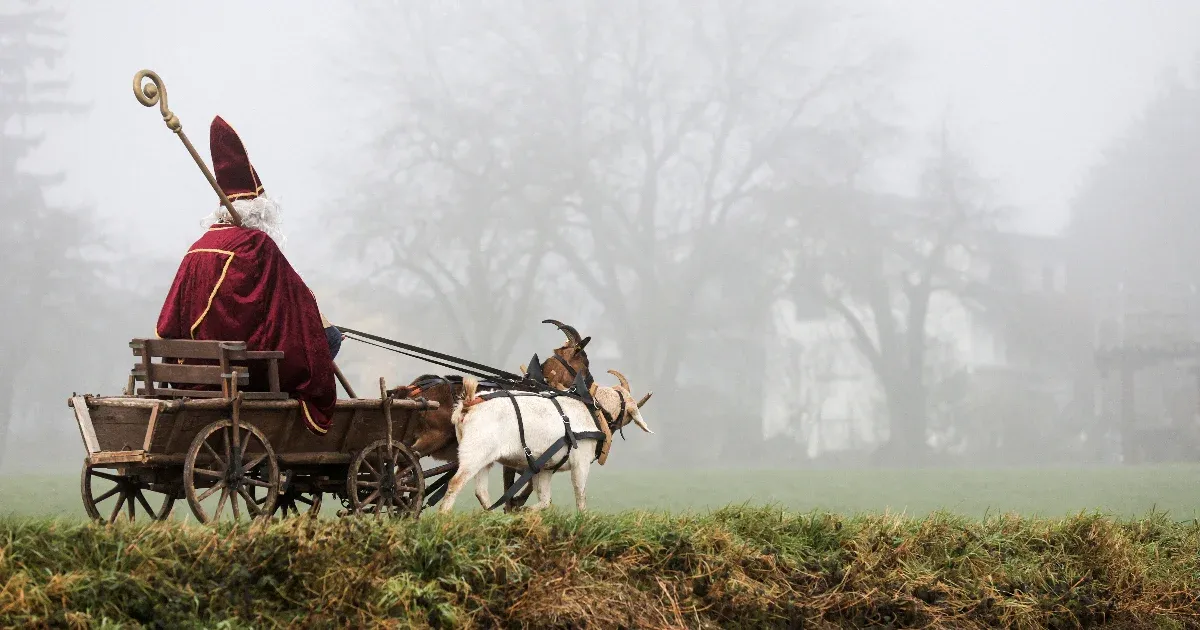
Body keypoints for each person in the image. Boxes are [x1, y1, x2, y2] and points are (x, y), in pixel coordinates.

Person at [155, 115, 340, 435]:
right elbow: (298, 299)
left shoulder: (198, 248)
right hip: (245, 372)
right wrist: (318, 322)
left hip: (192, 374)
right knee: (330, 338)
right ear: (259, 210)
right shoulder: (257, 245)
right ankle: (291, 428)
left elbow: (168, 323)